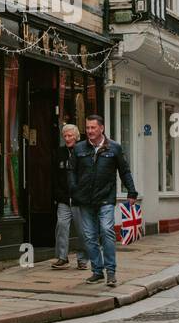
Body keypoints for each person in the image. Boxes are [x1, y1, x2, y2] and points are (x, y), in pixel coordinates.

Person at [70, 114, 138, 288]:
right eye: (87, 128)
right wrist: (74, 190)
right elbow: (71, 172)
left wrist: (131, 191)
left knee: (107, 231)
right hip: (84, 200)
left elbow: (124, 171)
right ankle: (97, 271)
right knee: (89, 236)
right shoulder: (79, 149)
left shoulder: (114, 148)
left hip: (106, 198)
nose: (90, 131)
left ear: (102, 128)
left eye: (93, 128)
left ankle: (111, 272)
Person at [51, 124, 87, 270]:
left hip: (80, 199)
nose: (67, 138)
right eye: (65, 136)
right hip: (64, 198)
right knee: (61, 226)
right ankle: (62, 257)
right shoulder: (59, 152)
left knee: (82, 230)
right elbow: (54, 176)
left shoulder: (84, 152)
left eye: (70, 136)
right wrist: (58, 195)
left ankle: (82, 259)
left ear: (76, 136)